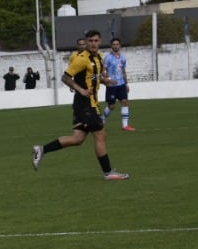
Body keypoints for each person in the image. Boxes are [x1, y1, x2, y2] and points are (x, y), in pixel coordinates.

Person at [31, 29, 129, 181]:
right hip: (85, 105)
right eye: (90, 41)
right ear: (86, 42)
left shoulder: (99, 58)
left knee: (78, 138)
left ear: (100, 41)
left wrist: (105, 81)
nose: (93, 44)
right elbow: (65, 77)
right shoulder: (81, 59)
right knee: (100, 134)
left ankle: (42, 149)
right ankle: (108, 172)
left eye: (96, 41)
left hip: (90, 104)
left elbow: (93, 77)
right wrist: (81, 90)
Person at [102, 37, 134, 131]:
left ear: (120, 45)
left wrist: (126, 83)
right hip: (112, 85)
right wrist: (107, 79)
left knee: (124, 102)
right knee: (111, 106)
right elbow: (103, 70)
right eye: (114, 44)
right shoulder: (108, 58)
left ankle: (125, 125)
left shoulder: (123, 58)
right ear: (111, 46)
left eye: (117, 44)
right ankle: (102, 119)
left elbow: (123, 71)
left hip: (121, 84)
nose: (116, 46)